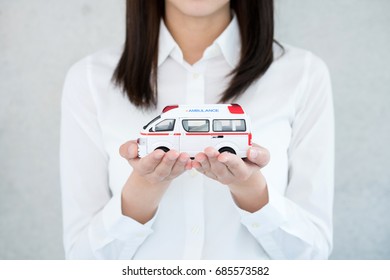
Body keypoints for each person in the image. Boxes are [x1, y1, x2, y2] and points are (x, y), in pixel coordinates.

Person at [60, 0, 334, 259]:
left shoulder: (303, 74)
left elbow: (313, 254)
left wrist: (252, 192)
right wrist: (142, 190)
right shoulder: (90, 79)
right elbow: (82, 259)